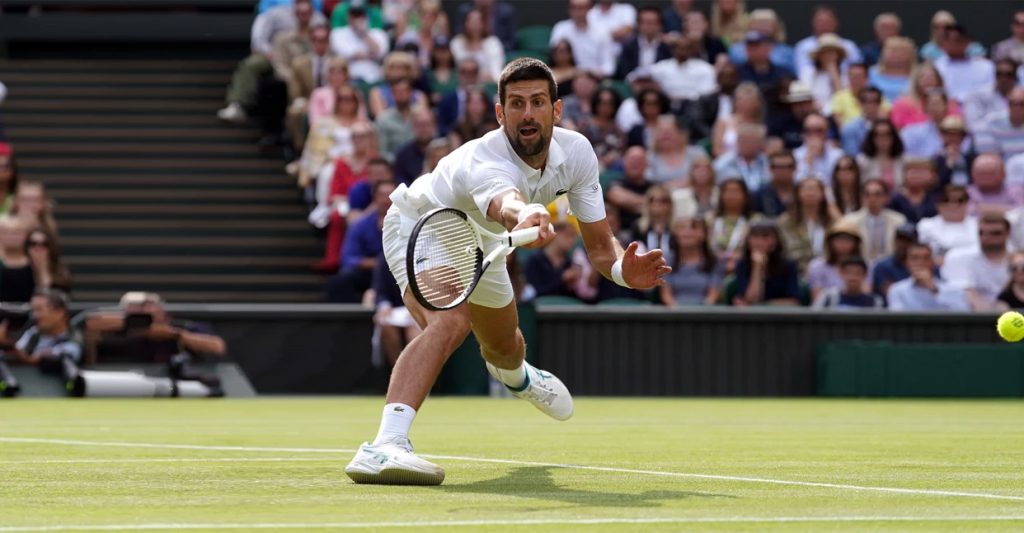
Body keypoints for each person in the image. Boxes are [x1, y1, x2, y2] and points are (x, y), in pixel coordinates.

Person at [344, 58, 670, 485]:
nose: (528, 113)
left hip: (484, 241)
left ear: (557, 110)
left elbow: (599, 246)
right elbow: (506, 201)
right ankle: (384, 446)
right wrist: (529, 212)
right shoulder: (486, 158)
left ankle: (520, 378)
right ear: (500, 114)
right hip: (424, 224)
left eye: (538, 102)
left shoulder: (578, 154)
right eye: (516, 104)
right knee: (450, 321)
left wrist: (625, 274)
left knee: (504, 348)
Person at [941, 211, 1012, 311]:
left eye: (995, 233)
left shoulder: (1018, 259)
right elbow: (968, 295)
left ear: (1008, 233)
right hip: (971, 319)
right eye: (981, 233)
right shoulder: (958, 257)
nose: (987, 237)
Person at [0, 289, 81, 375]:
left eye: (39, 310)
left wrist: (9, 345)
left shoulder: (74, 337)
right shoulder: (33, 333)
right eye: (33, 310)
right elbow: (18, 354)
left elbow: (39, 360)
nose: (34, 316)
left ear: (59, 312)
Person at [730, 219, 800, 306]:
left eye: (765, 236)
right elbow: (751, 300)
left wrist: (765, 305)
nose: (759, 242)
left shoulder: (789, 265)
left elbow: (793, 302)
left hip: (780, 316)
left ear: (776, 240)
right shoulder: (742, 265)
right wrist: (757, 267)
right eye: (755, 236)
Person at [838, 179, 907, 263]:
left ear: (886, 197)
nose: (872, 199)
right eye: (867, 195)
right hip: (859, 266)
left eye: (877, 195)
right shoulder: (850, 220)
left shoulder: (899, 220)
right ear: (862, 198)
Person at [776, 176, 836, 274]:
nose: (810, 192)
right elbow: (787, 251)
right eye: (806, 189)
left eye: (815, 189)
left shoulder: (832, 221)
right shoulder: (786, 222)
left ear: (823, 194)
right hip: (797, 272)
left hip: (828, 272)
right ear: (797, 194)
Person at [887, 242, 970, 311]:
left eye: (926, 258)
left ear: (933, 262)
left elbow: (962, 315)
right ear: (907, 263)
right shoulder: (897, 290)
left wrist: (934, 289)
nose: (920, 262)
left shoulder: (953, 289)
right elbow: (898, 318)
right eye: (915, 258)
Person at [659, 217, 722, 306]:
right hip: (674, 313)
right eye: (682, 228)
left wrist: (698, 314)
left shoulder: (714, 262)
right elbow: (666, 296)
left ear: (703, 234)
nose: (687, 233)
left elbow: (712, 297)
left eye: (693, 228)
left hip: (705, 314)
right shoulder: (667, 261)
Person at [549, 0, 615, 77]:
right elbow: (554, 60)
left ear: (590, 9)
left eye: (582, 8)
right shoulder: (560, 28)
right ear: (569, 9)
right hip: (566, 77)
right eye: (574, 7)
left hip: (594, 78)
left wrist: (589, 73)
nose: (578, 12)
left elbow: (609, 67)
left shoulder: (602, 31)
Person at [889, 63, 962, 131]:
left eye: (931, 77)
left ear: (939, 81)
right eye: (922, 77)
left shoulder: (950, 104)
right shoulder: (902, 104)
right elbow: (896, 128)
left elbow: (956, 126)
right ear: (916, 82)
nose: (927, 80)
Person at [792, 5, 862, 76]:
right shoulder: (803, 47)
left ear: (836, 22)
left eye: (828, 21)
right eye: (820, 21)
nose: (824, 25)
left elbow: (858, 74)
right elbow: (802, 74)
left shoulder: (849, 46)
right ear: (813, 23)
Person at [933, 25, 994, 104]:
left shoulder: (986, 67)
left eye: (960, 40)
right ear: (943, 44)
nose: (957, 44)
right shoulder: (936, 67)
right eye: (952, 40)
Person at [917, 185, 978, 261]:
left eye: (960, 200)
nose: (953, 205)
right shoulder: (925, 225)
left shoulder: (979, 225)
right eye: (946, 200)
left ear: (967, 203)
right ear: (937, 204)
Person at [524, 221, 582, 299]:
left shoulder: (569, 263)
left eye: (574, 236)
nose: (571, 240)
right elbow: (532, 292)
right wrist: (562, 279)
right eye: (568, 235)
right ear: (555, 234)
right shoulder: (536, 260)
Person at [806, 222, 863, 301]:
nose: (843, 243)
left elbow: (866, 294)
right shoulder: (817, 266)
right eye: (839, 239)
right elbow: (817, 301)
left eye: (848, 239)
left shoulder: (864, 266)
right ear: (830, 242)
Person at [962, 59, 1019, 135]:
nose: (1003, 78)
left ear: (1015, 76)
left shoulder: (1021, 97)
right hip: (987, 141)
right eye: (999, 74)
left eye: (1008, 74)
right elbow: (972, 125)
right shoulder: (977, 95)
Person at [450, 8, 505, 83]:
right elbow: (455, 70)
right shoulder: (456, 43)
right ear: (465, 23)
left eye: (477, 21)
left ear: (483, 24)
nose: (474, 24)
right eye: (471, 21)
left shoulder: (493, 42)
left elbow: (496, 72)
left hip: (487, 85)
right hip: (461, 85)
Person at [614, 6, 671, 80]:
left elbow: (669, 70)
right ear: (638, 24)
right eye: (646, 23)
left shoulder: (667, 47)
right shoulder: (629, 45)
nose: (649, 26)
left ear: (660, 25)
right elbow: (624, 71)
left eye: (653, 23)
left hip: (659, 84)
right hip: (634, 84)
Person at [713, 123, 770, 193]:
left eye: (751, 141)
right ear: (737, 142)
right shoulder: (722, 163)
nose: (747, 144)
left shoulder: (769, 163)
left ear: (760, 143)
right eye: (744, 141)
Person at [605, 146, 653, 230]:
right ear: (624, 162)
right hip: (622, 232)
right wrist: (650, 205)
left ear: (647, 163)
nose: (635, 164)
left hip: (647, 231)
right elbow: (619, 198)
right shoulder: (616, 183)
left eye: (639, 161)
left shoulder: (652, 186)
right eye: (632, 160)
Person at [799, 34, 846, 116]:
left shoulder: (844, 75)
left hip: (837, 116)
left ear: (838, 56)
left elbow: (842, 98)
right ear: (819, 55)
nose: (828, 56)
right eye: (825, 53)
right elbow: (804, 95)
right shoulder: (808, 72)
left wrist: (833, 72)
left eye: (832, 52)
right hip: (813, 114)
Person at [812, 256, 883, 309]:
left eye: (858, 273)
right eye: (848, 272)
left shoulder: (875, 301)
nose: (853, 277)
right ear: (840, 273)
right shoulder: (828, 297)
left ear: (865, 275)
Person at [975, 86, 1024, 161]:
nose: (1016, 107)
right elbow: (988, 156)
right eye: (1012, 103)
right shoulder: (991, 123)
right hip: (1000, 169)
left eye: (1021, 104)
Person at [869, 222, 917, 297]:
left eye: (907, 241)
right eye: (900, 240)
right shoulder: (882, 266)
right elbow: (890, 293)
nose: (902, 244)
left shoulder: (924, 265)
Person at [857, 118, 906, 190]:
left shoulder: (904, 160)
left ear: (893, 137)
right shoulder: (862, 161)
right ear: (872, 138)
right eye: (877, 134)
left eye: (887, 134)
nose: (882, 138)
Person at [887, 157, 939, 224]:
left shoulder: (937, 199)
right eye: (913, 172)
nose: (916, 176)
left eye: (921, 172)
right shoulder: (893, 199)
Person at [867, 37, 915, 103]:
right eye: (893, 51)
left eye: (901, 52)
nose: (897, 55)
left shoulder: (917, 75)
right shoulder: (871, 73)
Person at [752, 150, 796, 217]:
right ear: (770, 169)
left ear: (795, 168)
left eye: (787, 166)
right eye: (778, 167)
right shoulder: (759, 195)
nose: (783, 170)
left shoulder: (802, 192)